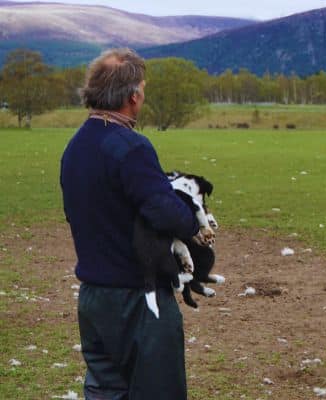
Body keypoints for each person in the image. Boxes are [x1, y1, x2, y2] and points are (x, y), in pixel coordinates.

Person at [60, 48, 199, 400]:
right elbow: (170, 216)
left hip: (93, 298)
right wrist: (190, 213)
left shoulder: (75, 147)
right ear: (133, 96)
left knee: (106, 391)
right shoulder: (130, 146)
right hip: (138, 299)